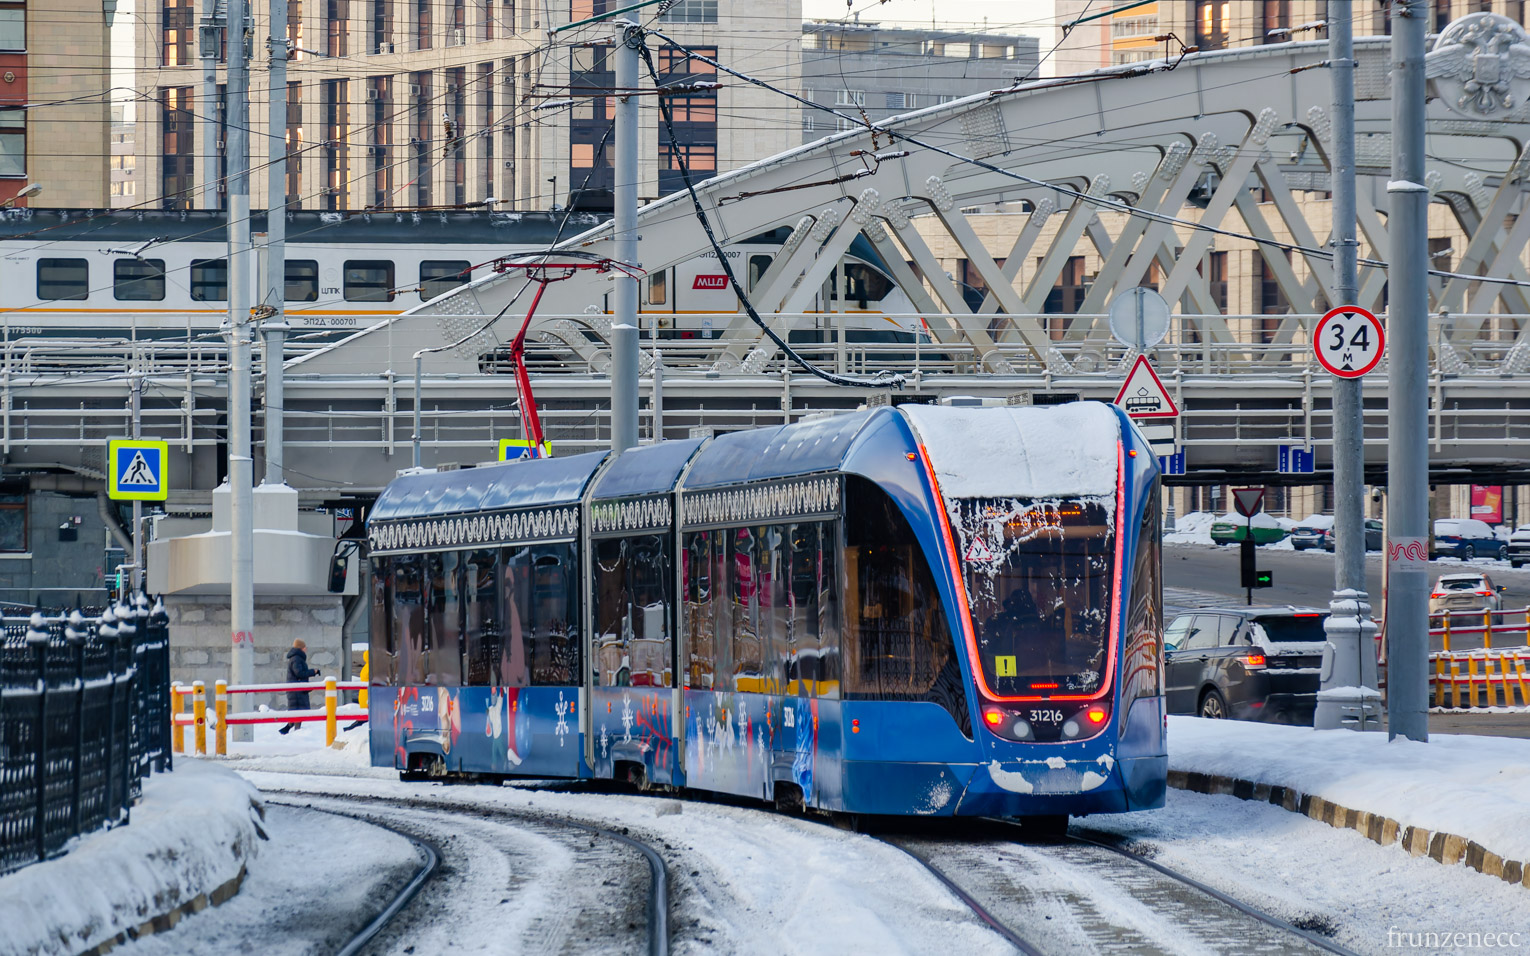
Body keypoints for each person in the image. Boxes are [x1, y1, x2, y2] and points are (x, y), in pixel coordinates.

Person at [279, 639, 320, 734]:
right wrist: (312, 672)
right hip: (296, 691)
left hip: (297, 690)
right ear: (301, 648)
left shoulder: (296, 658)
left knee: (297, 711)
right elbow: (299, 673)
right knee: (299, 711)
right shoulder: (296, 659)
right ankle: (295, 732)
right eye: (304, 647)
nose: (306, 648)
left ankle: (290, 729)